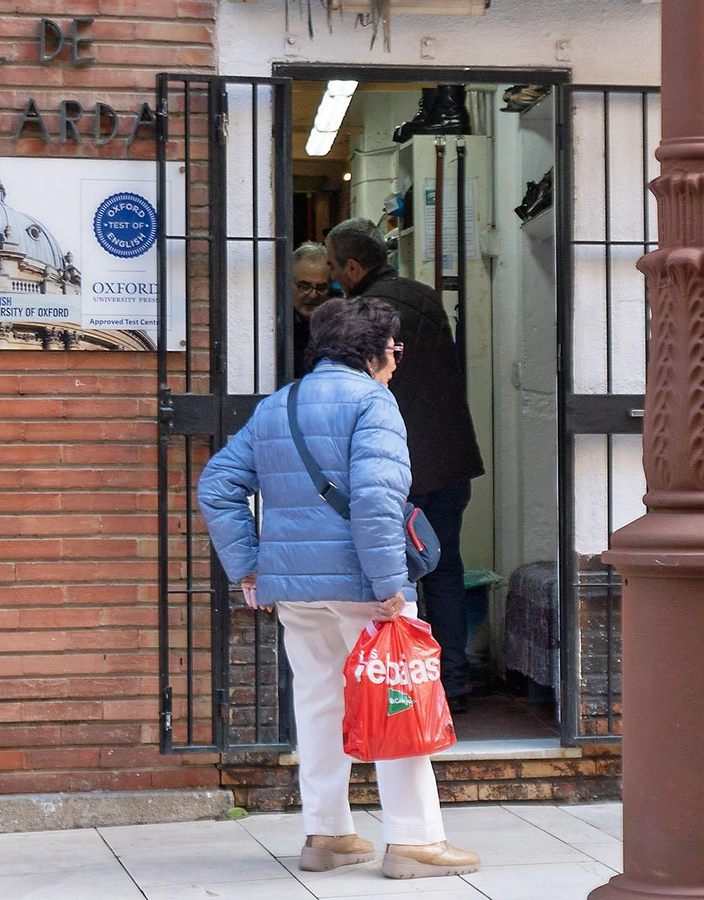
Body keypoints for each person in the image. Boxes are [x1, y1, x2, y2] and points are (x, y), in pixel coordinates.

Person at [197, 296, 481, 880]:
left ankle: (326, 835)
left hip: (293, 587)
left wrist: (249, 566)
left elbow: (217, 484)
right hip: (363, 585)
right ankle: (415, 841)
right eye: (394, 348)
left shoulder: (279, 404)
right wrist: (390, 582)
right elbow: (377, 501)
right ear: (373, 350)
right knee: (397, 699)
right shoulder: (373, 402)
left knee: (318, 705)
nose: (396, 360)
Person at [324, 217, 484, 713]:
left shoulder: (362, 314)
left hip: (397, 466)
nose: (332, 276)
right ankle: (452, 682)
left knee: (395, 578)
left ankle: (404, 695)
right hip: (451, 460)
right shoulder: (426, 297)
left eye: (333, 267)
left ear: (353, 267)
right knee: (445, 568)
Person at [291, 242, 334, 374]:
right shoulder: (274, 327)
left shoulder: (338, 329)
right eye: (304, 286)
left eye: (321, 287)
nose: (313, 295)